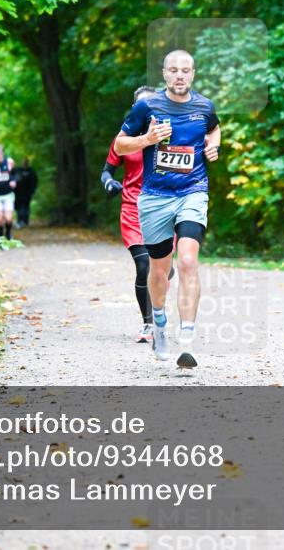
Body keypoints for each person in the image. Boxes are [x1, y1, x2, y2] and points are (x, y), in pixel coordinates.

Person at [113, 50, 220, 368]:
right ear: (164, 74)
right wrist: (146, 139)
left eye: (185, 70)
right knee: (158, 272)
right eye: (173, 70)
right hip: (155, 198)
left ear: (193, 74)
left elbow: (214, 128)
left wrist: (214, 144)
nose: (180, 75)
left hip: (193, 192)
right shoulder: (147, 106)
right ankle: (159, 325)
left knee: (188, 261)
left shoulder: (204, 106)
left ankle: (186, 340)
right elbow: (119, 145)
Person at [102, 85, 176, 344]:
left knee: (163, 270)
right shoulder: (124, 141)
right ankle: (149, 323)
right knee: (144, 265)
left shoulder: (168, 135)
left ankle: (158, 311)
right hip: (132, 209)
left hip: (163, 208)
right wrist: (109, 183)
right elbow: (107, 171)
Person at [14, 158, 38, 228]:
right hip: (18, 193)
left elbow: (34, 182)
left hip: (27, 193)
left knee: (26, 207)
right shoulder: (18, 170)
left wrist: (32, 191)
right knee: (19, 207)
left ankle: (25, 221)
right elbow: (14, 179)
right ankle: (20, 221)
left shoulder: (32, 172)